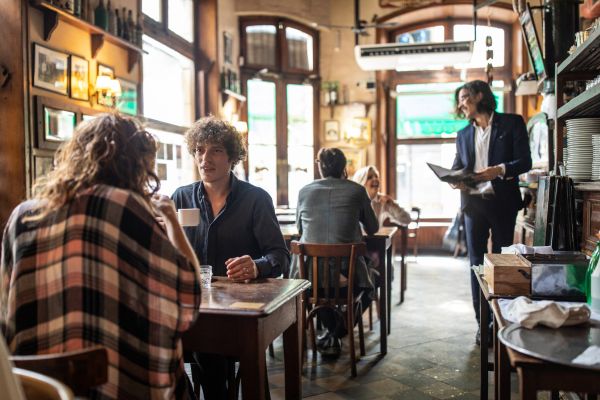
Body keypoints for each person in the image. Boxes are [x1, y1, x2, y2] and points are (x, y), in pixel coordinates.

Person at [0, 113, 202, 399]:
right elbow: (187, 300)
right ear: (133, 163)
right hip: (119, 383)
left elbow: (6, 312)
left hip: (37, 387)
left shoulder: (22, 216)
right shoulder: (127, 207)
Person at [171, 116, 289, 399]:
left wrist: (257, 267)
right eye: (199, 150)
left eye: (215, 150)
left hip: (239, 311)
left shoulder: (255, 199)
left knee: (210, 346)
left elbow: (280, 257)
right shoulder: (180, 197)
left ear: (232, 157)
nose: (205, 158)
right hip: (192, 306)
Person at [451, 80, 532, 344]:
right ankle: (481, 324)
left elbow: (525, 161)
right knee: (475, 264)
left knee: (502, 263)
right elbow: (458, 166)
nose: (461, 103)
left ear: (480, 96)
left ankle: (502, 321)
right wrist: (454, 179)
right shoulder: (463, 134)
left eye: (464, 97)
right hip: (473, 205)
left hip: (502, 203)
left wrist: (499, 170)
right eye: (460, 99)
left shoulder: (512, 123)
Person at [290, 148, 378, 357]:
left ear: (319, 166)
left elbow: (300, 230)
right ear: (344, 167)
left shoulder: (304, 191)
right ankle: (338, 332)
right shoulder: (357, 191)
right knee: (373, 282)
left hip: (308, 281)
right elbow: (373, 228)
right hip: (347, 279)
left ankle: (332, 333)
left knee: (323, 280)